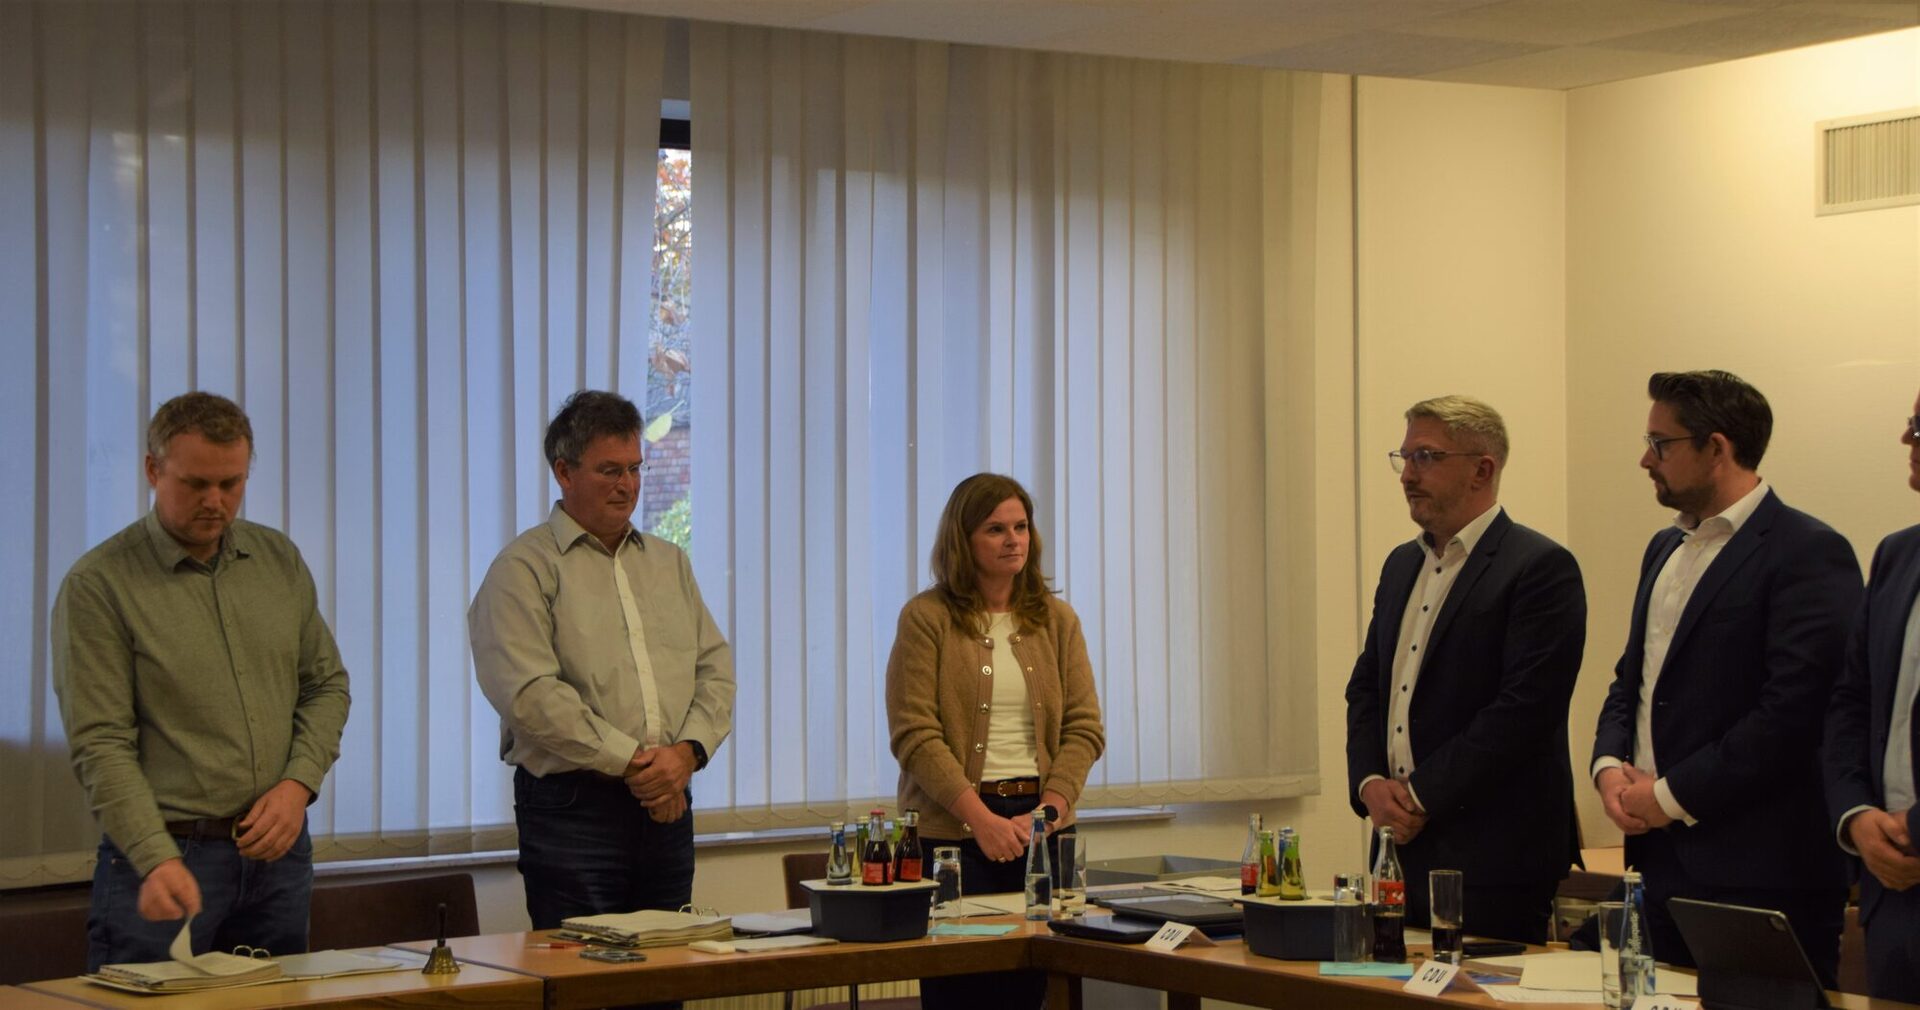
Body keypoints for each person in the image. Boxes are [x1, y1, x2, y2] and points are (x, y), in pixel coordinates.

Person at [52, 392, 351, 969]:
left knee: (278, 1003)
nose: (215, 501)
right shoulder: (100, 585)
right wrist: (154, 856)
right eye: (195, 484)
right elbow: (101, 742)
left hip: (279, 852)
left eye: (231, 483)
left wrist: (298, 785)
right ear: (153, 470)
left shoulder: (277, 560)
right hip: (165, 856)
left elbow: (326, 686)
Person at [1592, 370, 1860, 984]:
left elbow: (1791, 713)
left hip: (1758, 872)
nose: (1645, 460)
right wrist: (1608, 766)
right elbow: (1632, 681)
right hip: (1655, 863)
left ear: (1716, 448)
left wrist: (1666, 797)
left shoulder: (1806, 550)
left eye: (1660, 444)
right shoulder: (1664, 548)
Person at [470, 390, 734, 936]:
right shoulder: (522, 569)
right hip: (573, 810)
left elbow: (715, 669)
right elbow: (530, 696)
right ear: (563, 472)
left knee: (668, 966)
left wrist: (686, 754)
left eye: (635, 469)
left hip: (668, 801)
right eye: (610, 470)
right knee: (586, 971)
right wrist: (640, 765)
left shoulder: (669, 562)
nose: (627, 485)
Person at [1343, 395, 1586, 943]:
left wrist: (1418, 795)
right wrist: (1370, 785)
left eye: (1425, 457)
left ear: (1482, 469)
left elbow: (1523, 711)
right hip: (1399, 849)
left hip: (1495, 855)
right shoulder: (1402, 564)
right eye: (1404, 457)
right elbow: (1367, 686)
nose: (1407, 475)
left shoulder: (1540, 567)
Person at [886, 472, 1104, 1010]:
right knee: (961, 991)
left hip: (1041, 829)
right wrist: (980, 820)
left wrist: (1046, 815)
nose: (1013, 540)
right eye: (995, 529)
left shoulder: (1058, 620)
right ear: (963, 540)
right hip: (955, 834)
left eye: (1021, 527)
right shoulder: (926, 618)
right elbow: (914, 734)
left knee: (1038, 990)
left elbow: (1084, 728)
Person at [1823, 390, 1920, 1001]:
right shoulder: (1896, 554)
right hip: (1892, 892)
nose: (1907, 439)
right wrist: (1857, 817)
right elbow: (1851, 704)